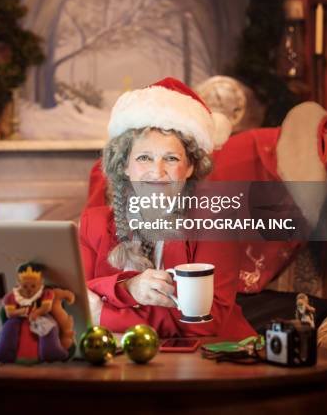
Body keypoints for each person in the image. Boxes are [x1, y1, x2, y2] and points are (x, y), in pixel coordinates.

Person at [79, 77, 256, 339]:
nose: (157, 172)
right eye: (144, 157)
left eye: (171, 158)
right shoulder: (93, 223)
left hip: (212, 362)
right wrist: (129, 287)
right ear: (125, 166)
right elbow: (71, 294)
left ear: (191, 167)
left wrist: (105, 314)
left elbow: (204, 321)